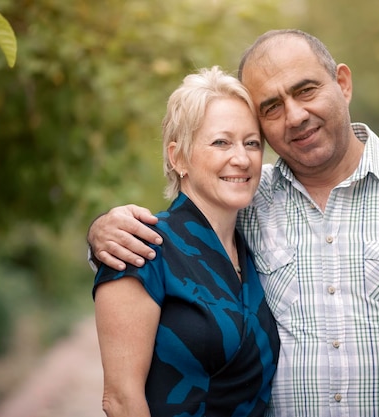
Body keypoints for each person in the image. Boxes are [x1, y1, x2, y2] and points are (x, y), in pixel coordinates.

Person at [88, 30, 379, 416]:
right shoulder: (250, 200)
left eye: (306, 90)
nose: (295, 116)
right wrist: (101, 233)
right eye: (272, 107)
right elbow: (168, 254)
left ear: (343, 84)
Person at [92, 66, 280, 417]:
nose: (241, 158)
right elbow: (120, 401)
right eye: (221, 142)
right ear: (178, 157)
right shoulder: (142, 247)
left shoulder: (252, 247)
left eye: (251, 143)